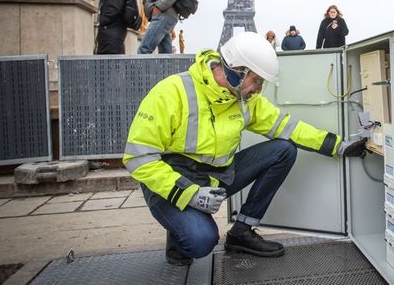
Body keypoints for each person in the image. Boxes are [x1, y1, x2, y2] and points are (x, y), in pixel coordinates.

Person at [122, 31, 367, 265]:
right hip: (172, 184)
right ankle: (179, 234)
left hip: (215, 178)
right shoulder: (171, 92)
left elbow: (289, 127)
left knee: (283, 149)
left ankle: (242, 231)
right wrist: (190, 194)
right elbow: (138, 158)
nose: (258, 90)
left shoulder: (245, 100)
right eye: (257, 81)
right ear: (238, 71)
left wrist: (337, 146)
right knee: (201, 242)